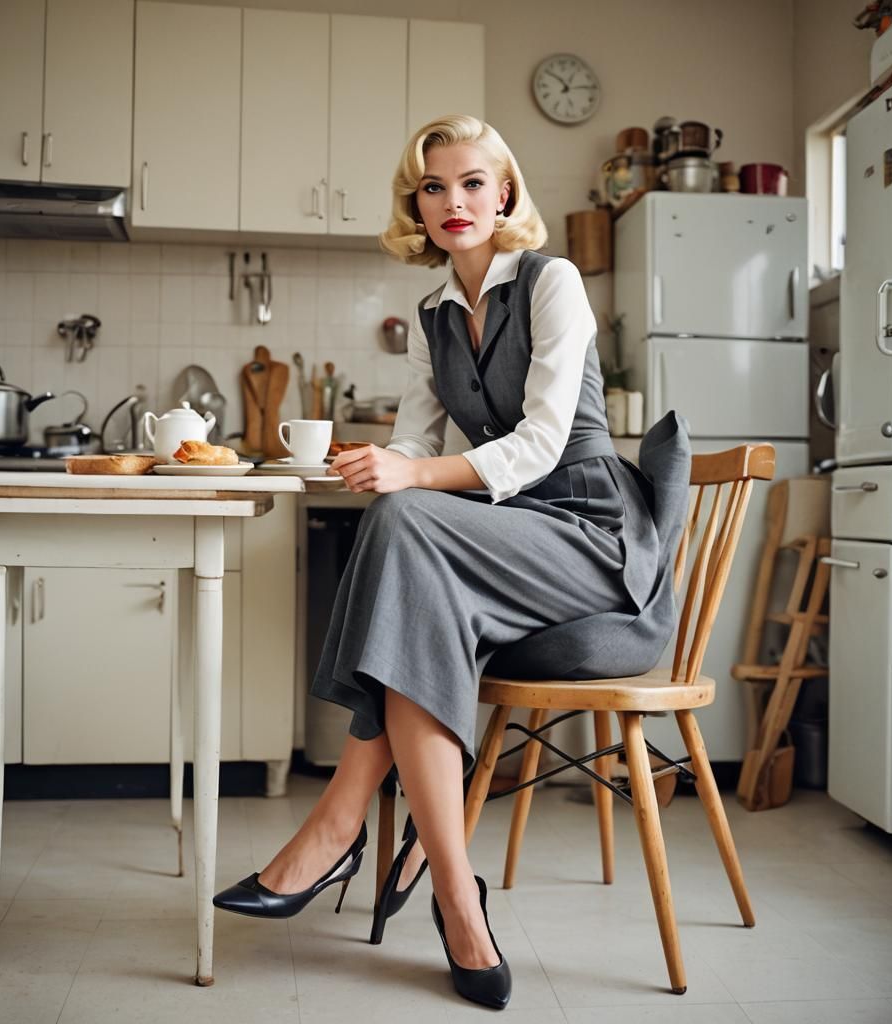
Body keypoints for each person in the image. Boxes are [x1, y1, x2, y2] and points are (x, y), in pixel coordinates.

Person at [213, 114, 671, 1011]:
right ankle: (460, 902)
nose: (453, 202)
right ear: (414, 206)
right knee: (404, 530)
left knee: (410, 520)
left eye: (471, 183)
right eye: (433, 187)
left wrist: (415, 475)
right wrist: (374, 463)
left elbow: (542, 444)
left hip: (587, 535)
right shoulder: (431, 315)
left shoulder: (554, 282)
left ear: (504, 194)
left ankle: (341, 819)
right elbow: (415, 443)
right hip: (505, 539)